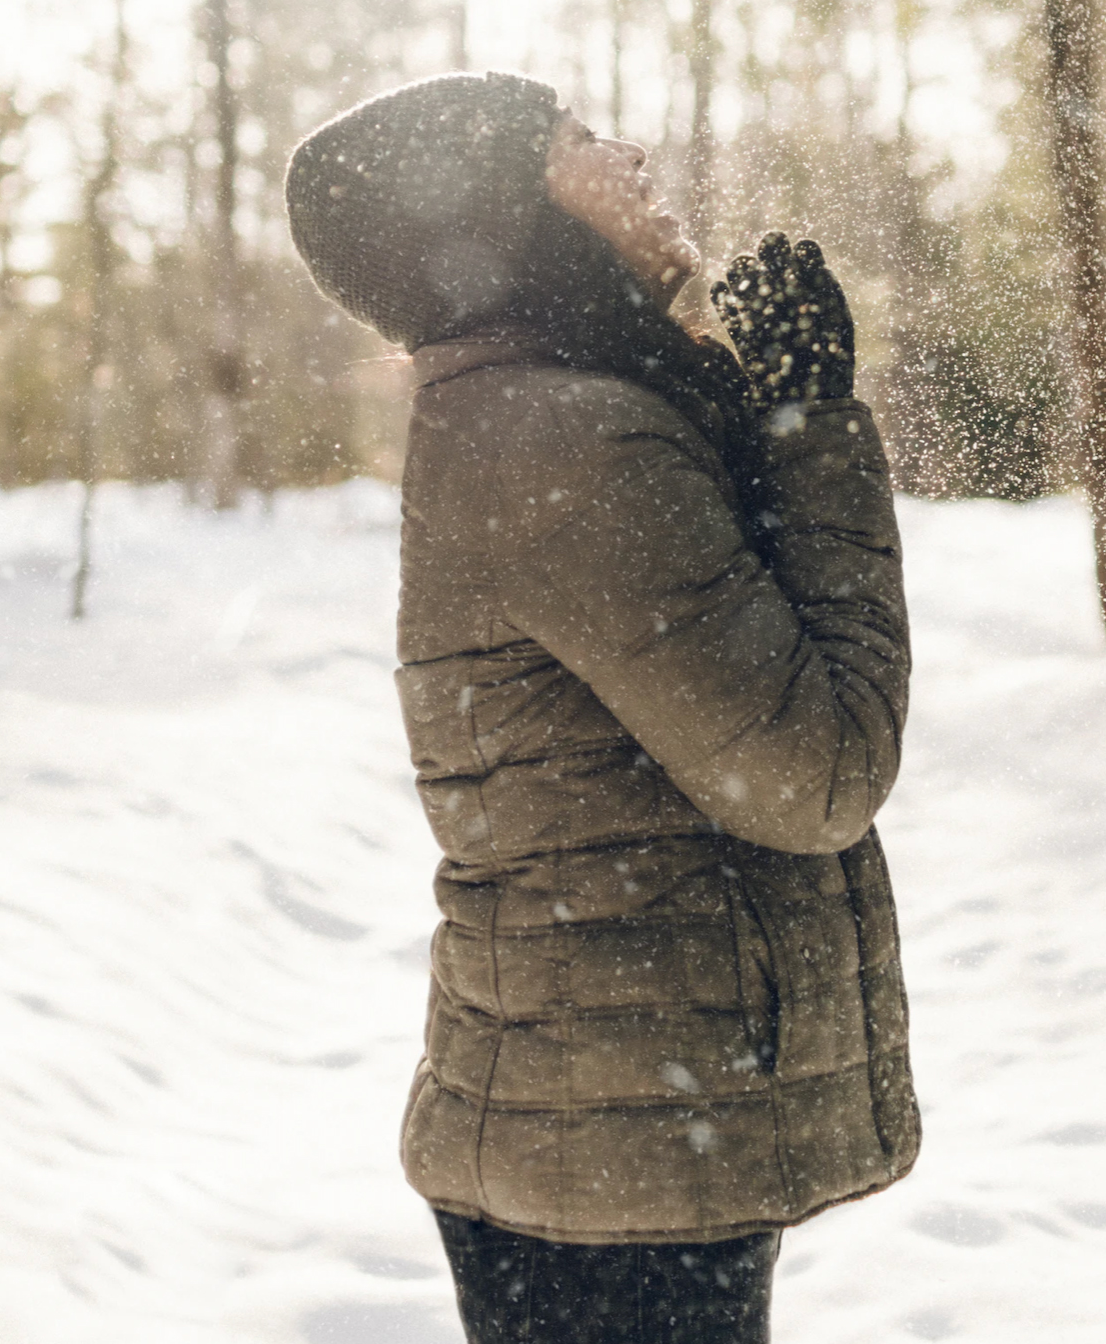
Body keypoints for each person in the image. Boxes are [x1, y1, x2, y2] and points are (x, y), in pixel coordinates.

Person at [285, 70, 918, 1344]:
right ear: (503, 212)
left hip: (609, 1127)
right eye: (574, 142)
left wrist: (770, 415)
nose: (627, 153)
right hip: (614, 1159)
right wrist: (813, 428)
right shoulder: (563, 440)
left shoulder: (551, 407)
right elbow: (817, 771)